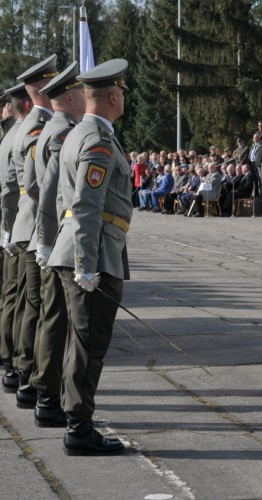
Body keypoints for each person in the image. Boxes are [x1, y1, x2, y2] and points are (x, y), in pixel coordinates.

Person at [47, 58, 132, 455]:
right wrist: (86, 265)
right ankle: (79, 429)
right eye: (123, 92)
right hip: (93, 255)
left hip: (85, 251)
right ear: (113, 96)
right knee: (88, 344)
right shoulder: (97, 140)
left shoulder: (80, 134)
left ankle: (75, 419)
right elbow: (84, 207)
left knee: (78, 342)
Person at [29, 61, 85, 427]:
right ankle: (47, 396)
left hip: (47, 234)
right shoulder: (62, 132)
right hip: (56, 236)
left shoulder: (53, 128)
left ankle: (47, 393)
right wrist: (48, 240)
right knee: (55, 319)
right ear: (69, 95)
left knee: (52, 317)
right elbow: (47, 192)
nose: (86, 97)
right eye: (80, 91)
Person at [3, 54, 57, 405]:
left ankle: (16, 367)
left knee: (20, 299)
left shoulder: (17, 130)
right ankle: (25, 373)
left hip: (19, 224)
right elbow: (38, 187)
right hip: (34, 224)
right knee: (35, 305)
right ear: (40, 89)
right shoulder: (36, 127)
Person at [0, 82, 28, 394]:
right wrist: (8, 230)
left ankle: (9, 359)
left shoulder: (9, 135)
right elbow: (10, 190)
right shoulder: (18, 136)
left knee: (11, 295)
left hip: (10, 226)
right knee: (16, 297)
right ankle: (11, 361)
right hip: (15, 227)